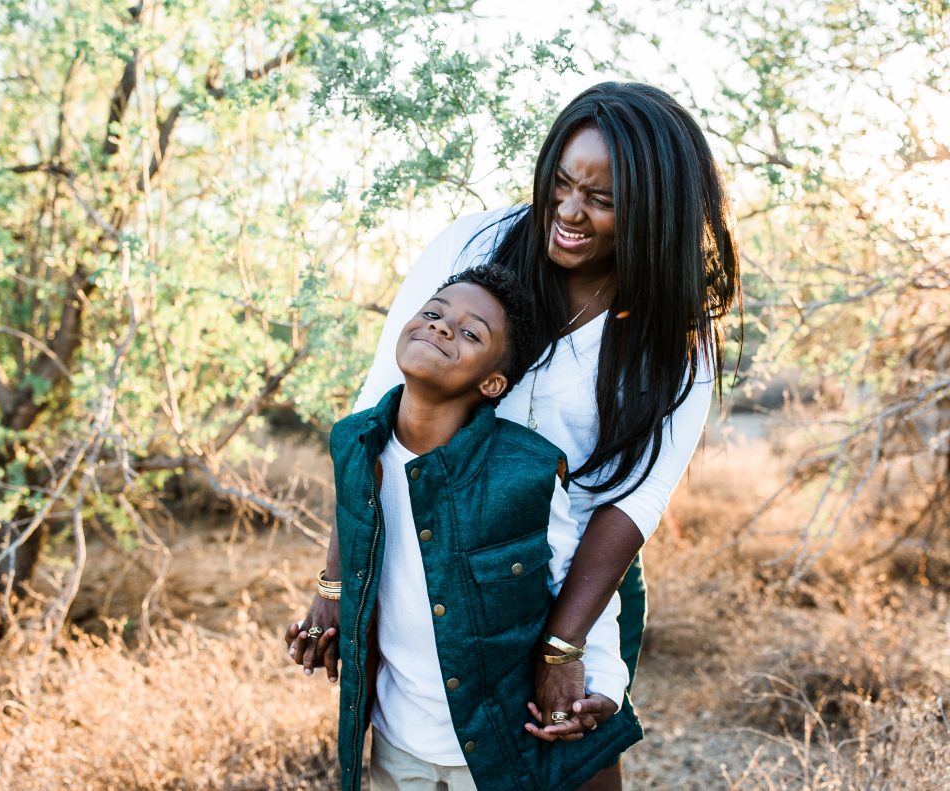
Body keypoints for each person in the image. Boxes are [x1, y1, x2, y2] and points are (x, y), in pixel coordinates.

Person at [295, 81, 742, 790]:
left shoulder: (675, 342)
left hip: (569, 592)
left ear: (655, 211)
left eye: (601, 200)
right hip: (429, 576)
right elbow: (375, 415)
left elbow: (632, 503)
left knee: (559, 758)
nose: (568, 212)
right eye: (560, 184)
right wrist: (335, 577)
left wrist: (564, 647)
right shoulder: (474, 246)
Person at [288, 265, 644, 790]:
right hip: (397, 739)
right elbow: (352, 542)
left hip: (501, 746)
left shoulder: (527, 472)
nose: (440, 327)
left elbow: (580, 585)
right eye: (433, 313)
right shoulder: (353, 445)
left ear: (493, 382)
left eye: (471, 331)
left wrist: (606, 680)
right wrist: (329, 596)